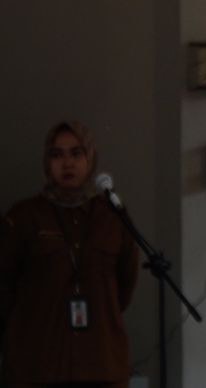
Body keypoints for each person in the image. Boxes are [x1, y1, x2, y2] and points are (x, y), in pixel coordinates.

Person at [0, 121, 139, 388]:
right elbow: (5, 286)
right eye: (57, 154)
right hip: (37, 366)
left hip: (100, 363)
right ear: (47, 162)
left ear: (90, 158)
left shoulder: (112, 216)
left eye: (76, 153)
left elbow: (124, 286)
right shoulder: (24, 217)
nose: (67, 163)